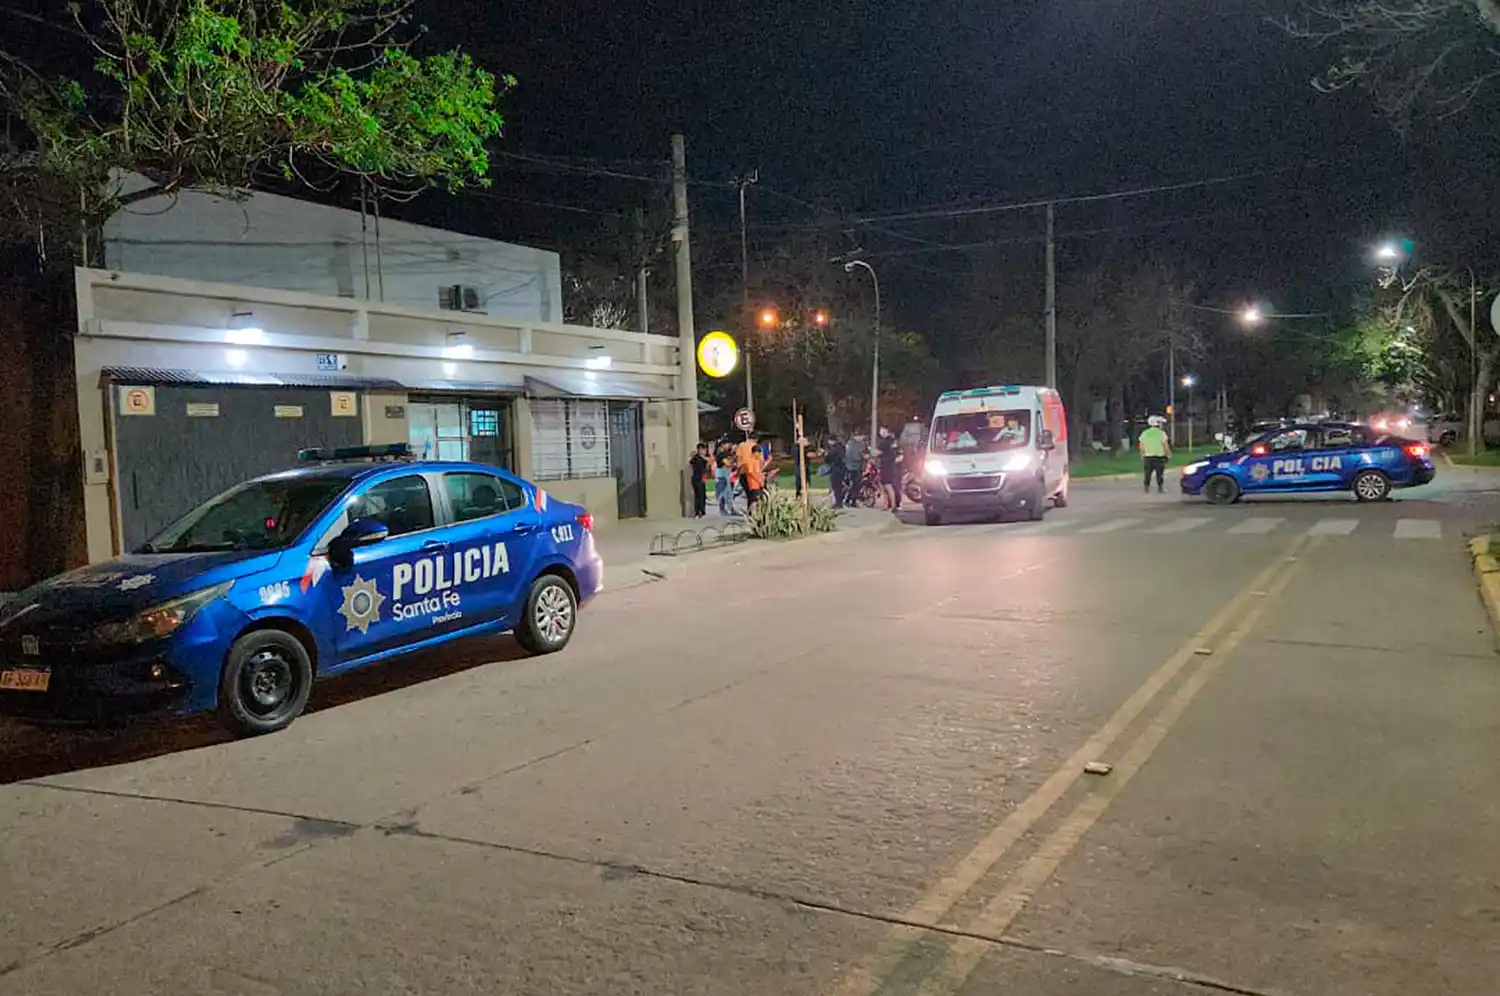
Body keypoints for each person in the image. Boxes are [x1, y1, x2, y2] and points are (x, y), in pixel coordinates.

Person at [1138, 416, 1171, 494]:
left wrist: (1142, 454)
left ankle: (1146, 487)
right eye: (1160, 423)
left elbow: (1141, 445)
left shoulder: (1145, 433)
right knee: (1160, 473)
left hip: (1148, 456)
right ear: (1157, 423)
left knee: (1147, 473)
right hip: (1159, 456)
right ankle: (1160, 488)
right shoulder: (1161, 433)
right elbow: (1165, 445)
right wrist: (1168, 454)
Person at [877, 426, 903, 511]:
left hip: (886, 467)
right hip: (890, 466)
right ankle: (888, 504)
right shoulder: (892, 442)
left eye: (882, 430)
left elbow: (878, 452)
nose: (880, 432)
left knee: (887, 486)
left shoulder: (884, 442)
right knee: (885, 486)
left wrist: (871, 453)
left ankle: (892, 505)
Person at [740, 436, 766, 510]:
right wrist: (758, 480)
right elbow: (751, 473)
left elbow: (758, 471)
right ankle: (751, 513)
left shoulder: (756, 461)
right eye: (759, 453)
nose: (760, 455)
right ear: (755, 452)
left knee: (758, 500)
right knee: (753, 500)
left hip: (758, 483)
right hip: (753, 483)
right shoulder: (750, 461)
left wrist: (762, 477)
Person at [843, 432, 867, 506]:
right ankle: (849, 500)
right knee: (854, 484)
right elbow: (851, 455)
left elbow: (865, 451)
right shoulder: (850, 444)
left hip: (859, 467)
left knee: (857, 485)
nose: (862, 438)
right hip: (851, 467)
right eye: (861, 436)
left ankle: (853, 500)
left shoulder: (862, 444)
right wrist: (862, 457)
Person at [689, 442, 710, 518]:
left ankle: (700, 511)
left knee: (701, 495)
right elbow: (701, 467)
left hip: (699, 478)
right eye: (704, 450)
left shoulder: (700, 458)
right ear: (700, 449)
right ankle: (699, 511)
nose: (705, 452)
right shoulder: (697, 458)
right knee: (699, 496)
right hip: (698, 479)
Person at [823, 435, 845, 508]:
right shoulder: (842, 447)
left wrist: (825, 454)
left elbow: (828, 459)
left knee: (835, 487)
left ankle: (838, 503)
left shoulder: (833, 449)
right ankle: (840, 502)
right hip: (841, 468)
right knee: (839, 486)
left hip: (835, 469)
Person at [714, 442, 734, 515]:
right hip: (722, 475)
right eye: (727, 444)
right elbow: (727, 464)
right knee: (723, 493)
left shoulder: (726, 453)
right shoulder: (722, 454)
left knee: (728, 493)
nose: (729, 445)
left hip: (726, 475)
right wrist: (733, 464)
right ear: (722, 445)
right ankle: (723, 509)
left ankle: (730, 508)